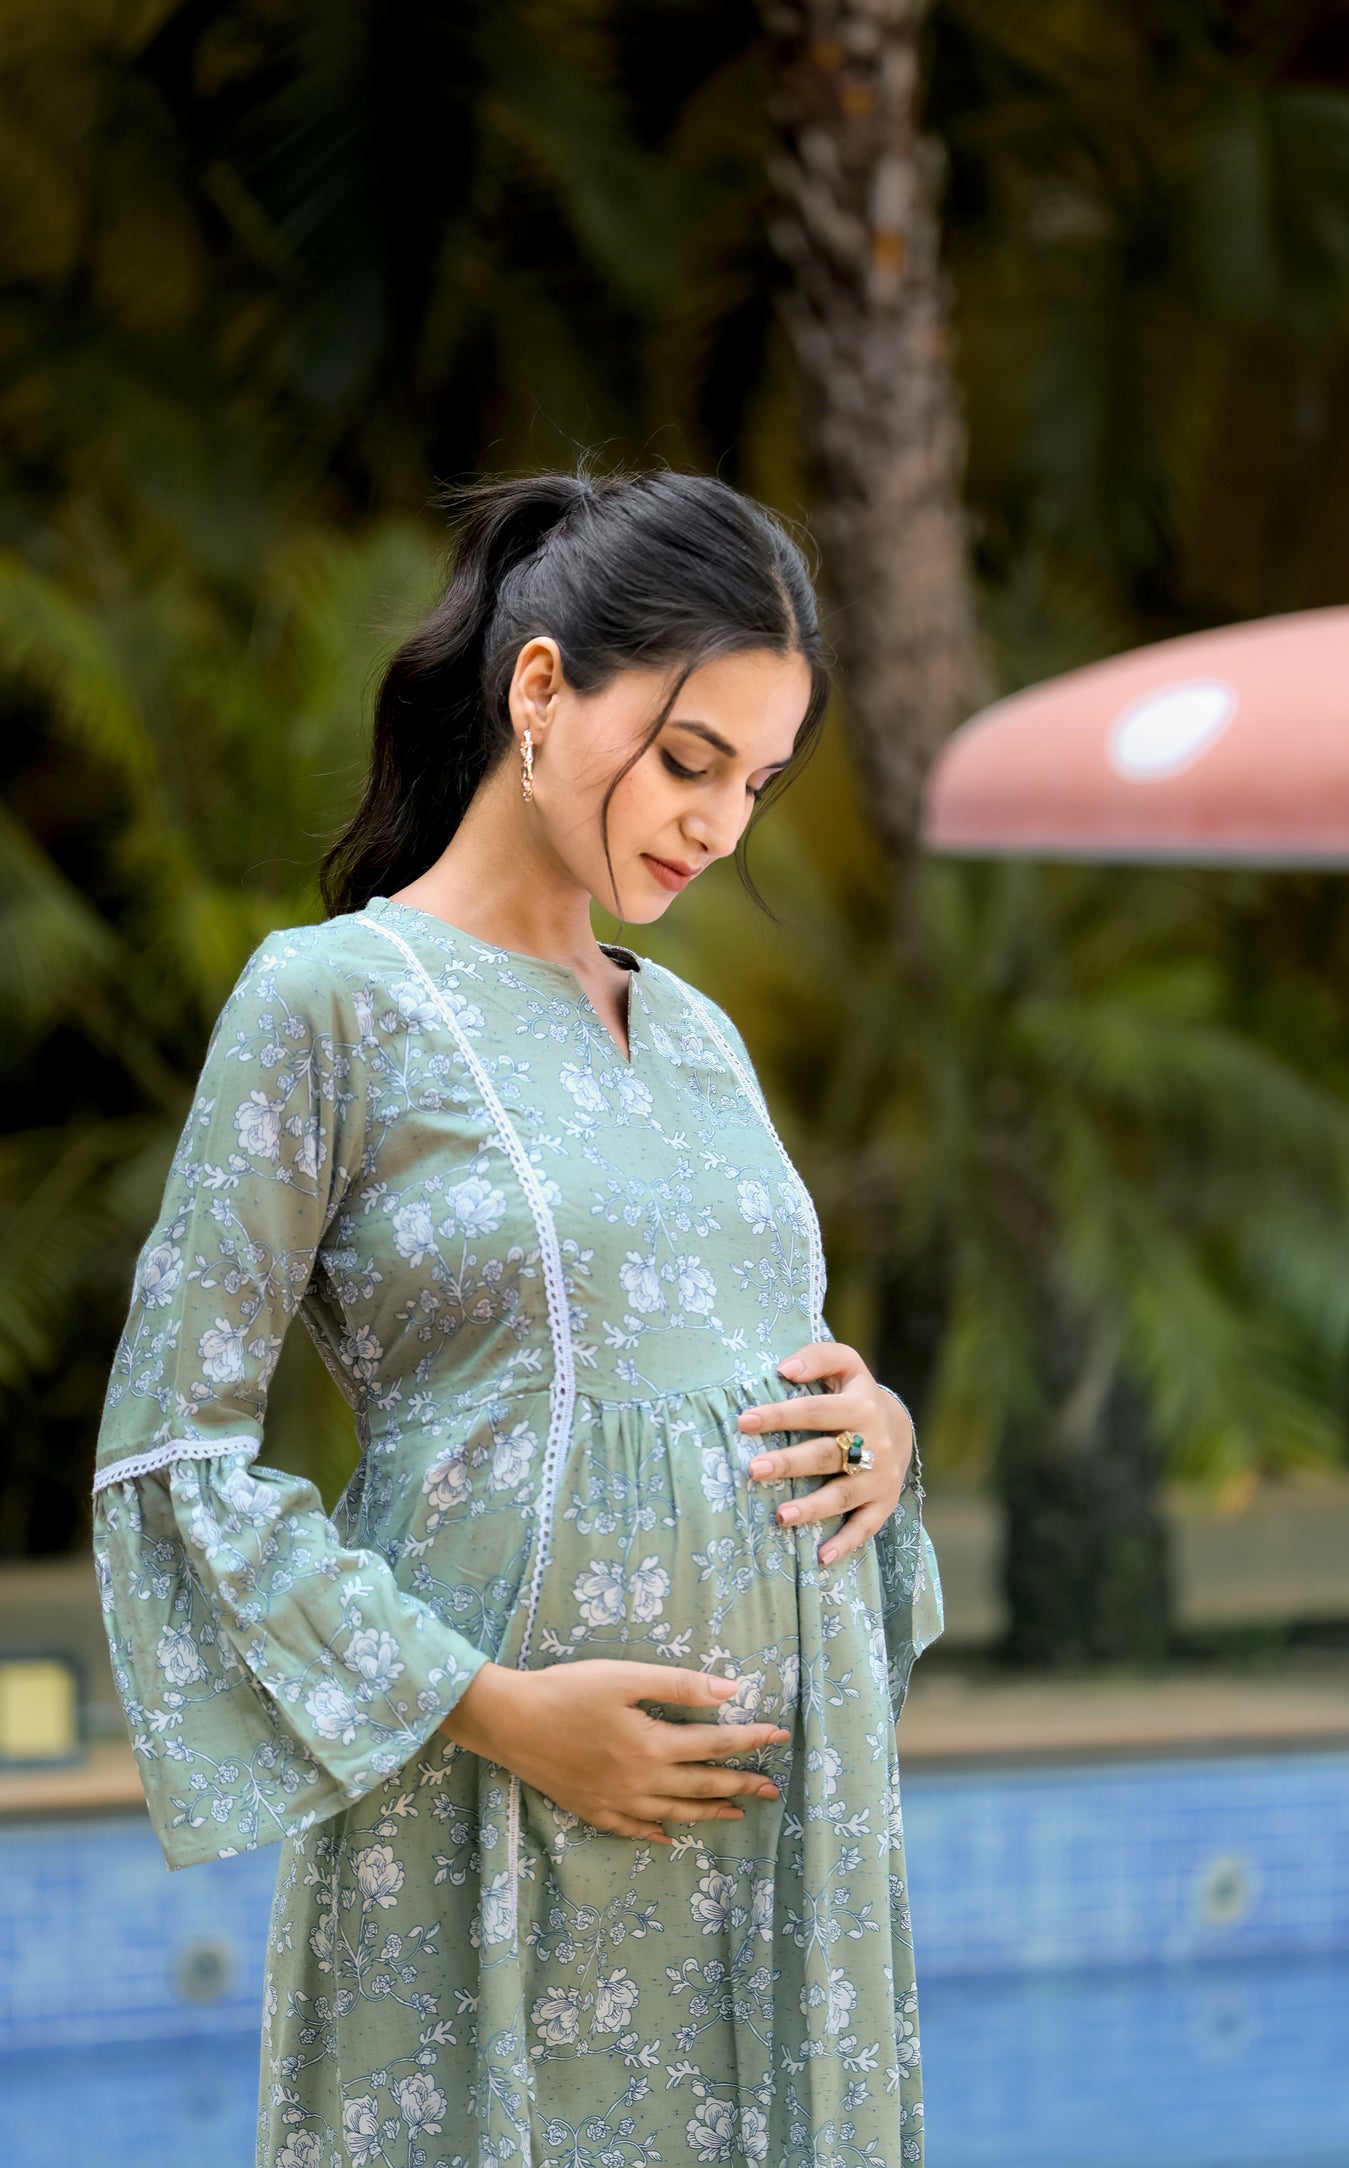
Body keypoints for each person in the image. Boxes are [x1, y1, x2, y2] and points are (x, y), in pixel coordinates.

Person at [92, 467, 944, 2168]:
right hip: (488, 1803)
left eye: (760, 785)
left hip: (784, 1829)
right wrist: (496, 1710)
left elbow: (747, 1364)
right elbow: (171, 1458)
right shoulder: (332, 1003)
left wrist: (883, 1433)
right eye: (690, 760)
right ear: (538, 689)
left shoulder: (696, 1032)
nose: (718, 826)